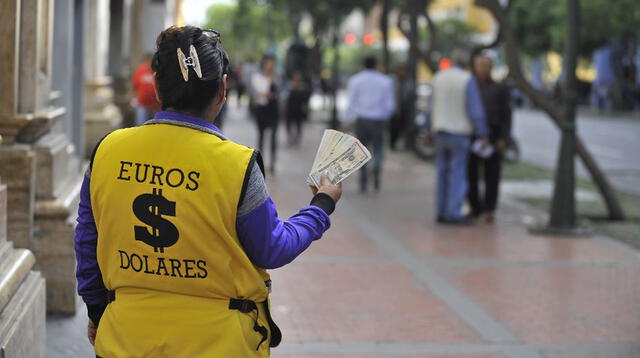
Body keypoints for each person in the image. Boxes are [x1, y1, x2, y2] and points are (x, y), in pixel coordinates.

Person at [74, 25, 342, 358]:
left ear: (157, 86)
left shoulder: (107, 151)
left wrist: (99, 311)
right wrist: (320, 207)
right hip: (219, 344)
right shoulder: (237, 163)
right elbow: (272, 248)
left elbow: (88, 242)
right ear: (222, 90)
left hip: (124, 339)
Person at [425, 52, 489, 225]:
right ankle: (453, 212)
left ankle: (441, 211)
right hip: (459, 132)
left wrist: (427, 130)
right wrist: (483, 132)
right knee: (457, 174)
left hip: (440, 130)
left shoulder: (438, 77)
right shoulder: (467, 79)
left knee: (442, 173)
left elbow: (430, 107)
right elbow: (474, 109)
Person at [467, 55, 512, 223]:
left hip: (494, 135)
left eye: (487, 66)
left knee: (492, 174)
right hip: (473, 135)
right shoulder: (470, 86)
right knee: (470, 173)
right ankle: (474, 206)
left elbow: (507, 115)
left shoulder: (499, 88)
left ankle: (489, 208)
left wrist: (504, 138)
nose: (484, 69)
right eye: (481, 65)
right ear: (475, 67)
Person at [345, 56, 395, 192]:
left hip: (362, 119)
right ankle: (377, 166)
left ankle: (363, 177)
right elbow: (390, 104)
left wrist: (347, 120)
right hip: (379, 120)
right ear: (376, 64)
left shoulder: (355, 80)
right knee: (378, 148)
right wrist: (385, 117)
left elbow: (351, 102)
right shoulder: (385, 81)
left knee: (361, 150)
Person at [251, 55, 280, 174]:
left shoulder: (278, 76)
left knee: (274, 136)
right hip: (262, 109)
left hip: (274, 109)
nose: (271, 66)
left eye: (273, 63)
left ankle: (273, 163)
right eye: (269, 63)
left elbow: (281, 91)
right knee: (261, 136)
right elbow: (259, 92)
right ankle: (260, 162)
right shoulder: (258, 76)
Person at [131, 54, 161, 125]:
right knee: (140, 125)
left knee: (155, 126)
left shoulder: (158, 71)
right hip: (143, 105)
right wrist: (135, 97)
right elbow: (134, 86)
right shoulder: (140, 71)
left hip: (156, 106)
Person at [285, 71, 311, 147]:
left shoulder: (303, 88)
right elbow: (285, 97)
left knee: (298, 125)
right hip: (290, 109)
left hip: (298, 110)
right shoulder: (289, 86)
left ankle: (296, 138)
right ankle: (290, 137)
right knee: (289, 124)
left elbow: (305, 99)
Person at [389, 66, 412, 150]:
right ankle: (392, 144)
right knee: (394, 128)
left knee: (401, 128)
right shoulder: (393, 81)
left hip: (403, 108)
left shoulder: (407, 81)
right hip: (395, 109)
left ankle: (399, 144)